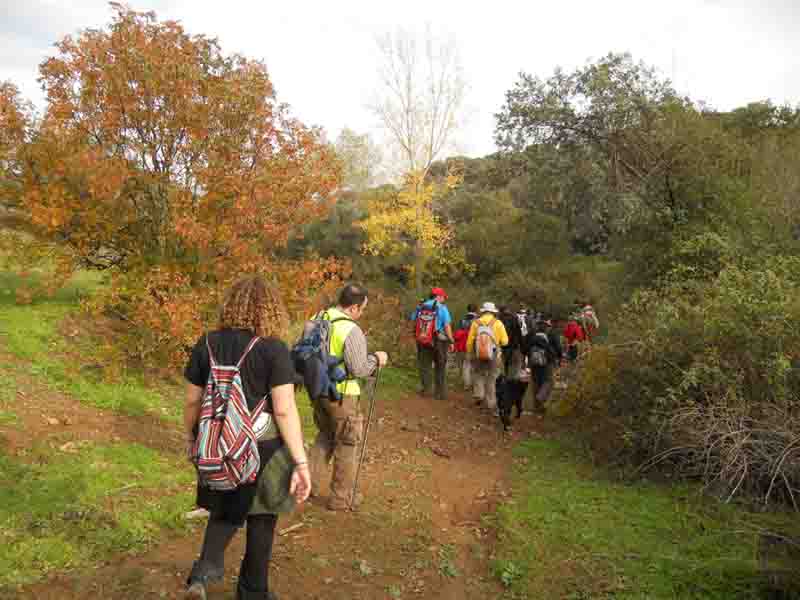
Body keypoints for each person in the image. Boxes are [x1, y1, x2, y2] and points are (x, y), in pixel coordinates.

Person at [183, 276, 310, 600]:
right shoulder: (273, 348)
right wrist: (300, 461)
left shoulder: (207, 342)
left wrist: (192, 437)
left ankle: (201, 576)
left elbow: (192, 401)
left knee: (224, 510)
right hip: (262, 446)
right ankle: (252, 591)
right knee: (262, 518)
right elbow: (283, 410)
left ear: (232, 305)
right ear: (270, 309)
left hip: (216, 444)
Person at [307, 283, 388, 511]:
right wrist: (377, 359)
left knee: (325, 436)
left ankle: (305, 486)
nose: (361, 313)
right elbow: (359, 368)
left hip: (318, 390)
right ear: (353, 307)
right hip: (343, 396)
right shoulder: (350, 329)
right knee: (347, 443)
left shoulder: (318, 317)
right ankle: (341, 498)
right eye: (362, 308)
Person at [467, 302, 509, 413]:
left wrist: (469, 352)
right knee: (492, 377)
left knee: (478, 373)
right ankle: (491, 402)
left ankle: (479, 394)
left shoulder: (476, 322)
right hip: (494, 353)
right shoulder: (498, 323)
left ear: (483, 311)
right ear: (493, 312)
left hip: (478, 352)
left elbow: (470, 340)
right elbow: (505, 342)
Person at [413, 287, 454, 400]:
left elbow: (414, 320)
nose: (444, 299)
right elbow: (447, 326)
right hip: (439, 341)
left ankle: (426, 389)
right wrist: (451, 341)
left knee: (425, 365)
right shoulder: (442, 308)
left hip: (423, 339)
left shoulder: (421, 306)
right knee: (440, 366)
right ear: (438, 296)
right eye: (443, 297)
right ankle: (440, 393)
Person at [528, 318, 564, 413]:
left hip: (533, 362)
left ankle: (537, 407)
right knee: (549, 381)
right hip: (547, 362)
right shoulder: (552, 334)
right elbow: (558, 348)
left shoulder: (532, 334)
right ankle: (540, 398)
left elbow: (525, 347)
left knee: (536, 382)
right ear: (547, 326)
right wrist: (560, 357)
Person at [455, 303, 478, 389]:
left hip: (463, 345)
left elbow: (458, 333)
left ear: (467, 309)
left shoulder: (462, 320)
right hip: (476, 345)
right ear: (476, 310)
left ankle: (466, 384)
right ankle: (476, 384)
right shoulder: (478, 320)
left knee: (466, 365)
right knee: (475, 365)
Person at [498, 305, 520, 377]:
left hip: (502, 345)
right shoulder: (514, 318)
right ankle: (510, 380)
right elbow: (518, 332)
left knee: (503, 363)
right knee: (512, 364)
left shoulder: (498, 319)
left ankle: (503, 377)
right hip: (513, 345)